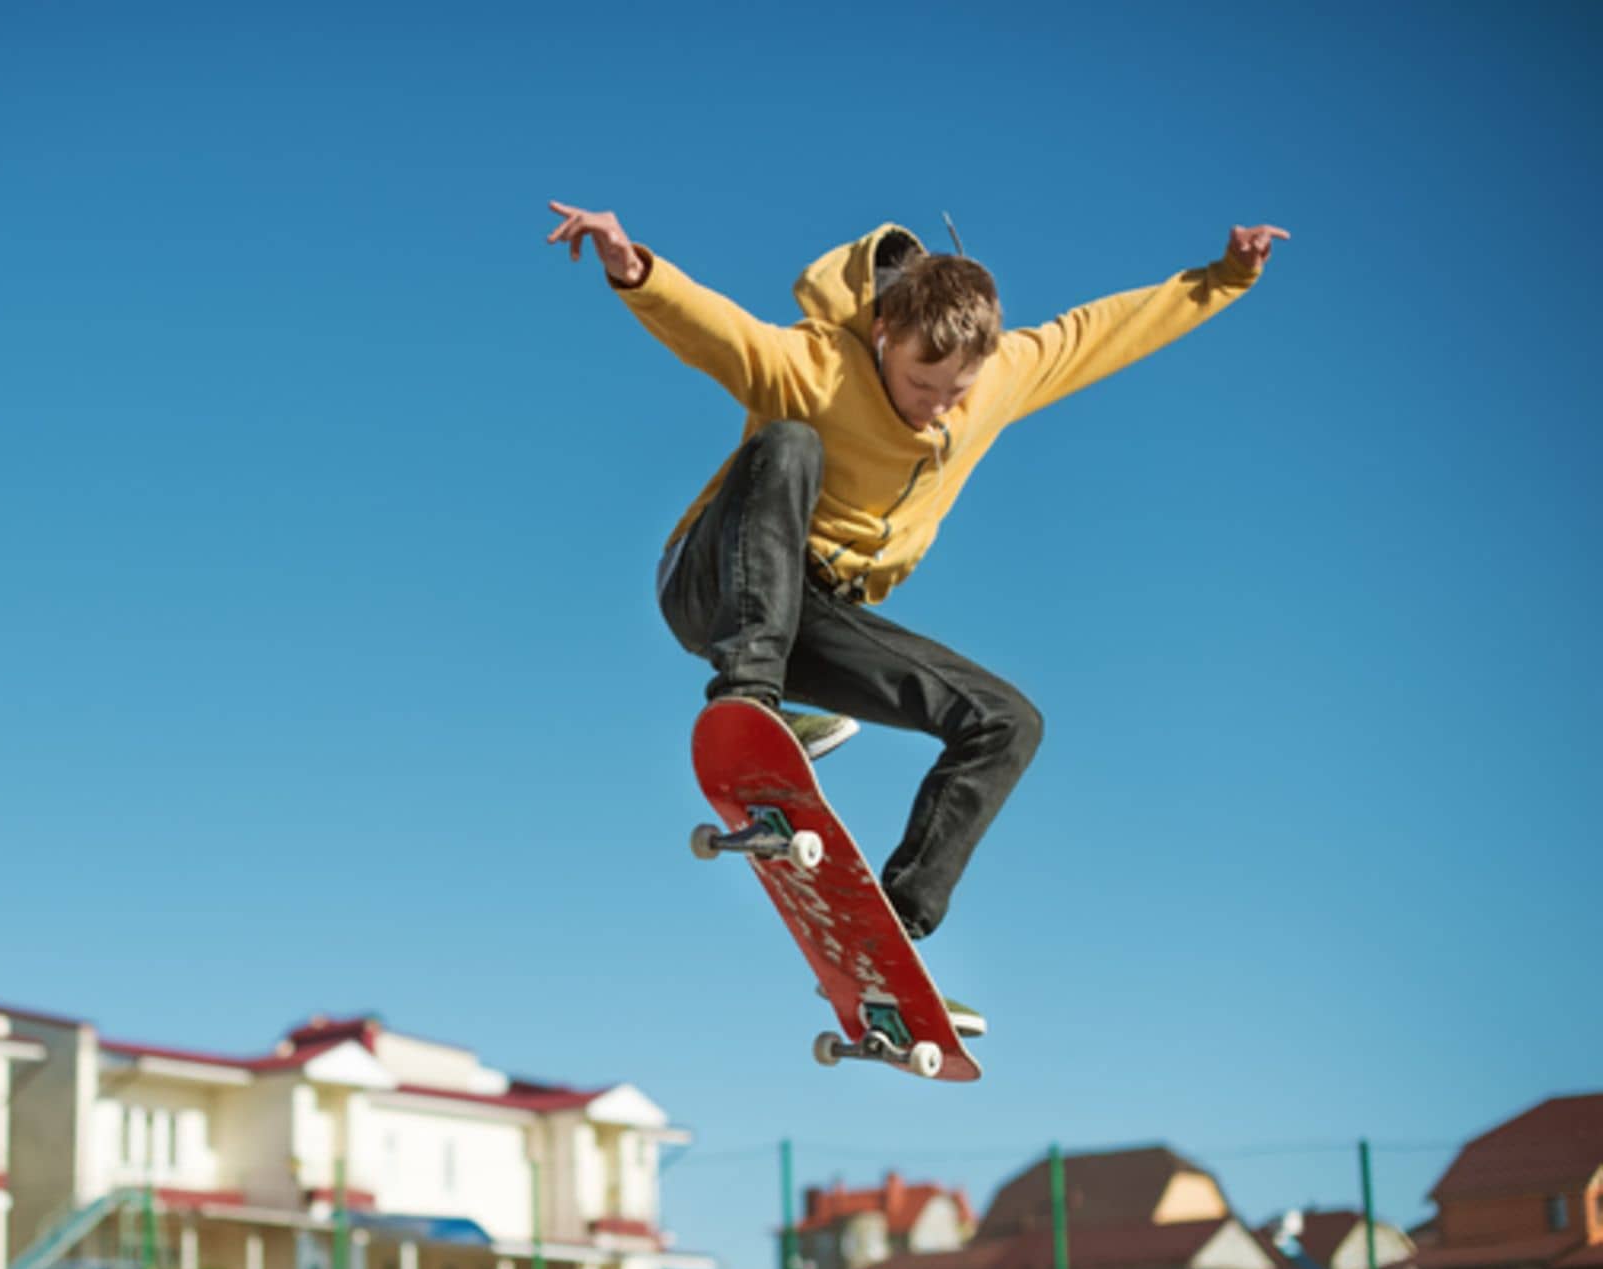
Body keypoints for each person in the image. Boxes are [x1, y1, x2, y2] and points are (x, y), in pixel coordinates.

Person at [548, 201, 1288, 946]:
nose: (935, 410)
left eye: (954, 393)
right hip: (714, 582)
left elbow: (1101, 332)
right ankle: (748, 704)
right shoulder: (815, 367)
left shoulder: (1002, 378)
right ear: (882, 337)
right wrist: (633, 267)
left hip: (815, 616)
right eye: (919, 384)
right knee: (790, 444)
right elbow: (720, 335)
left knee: (1007, 722)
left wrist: (1225, 277)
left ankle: (893, 927)